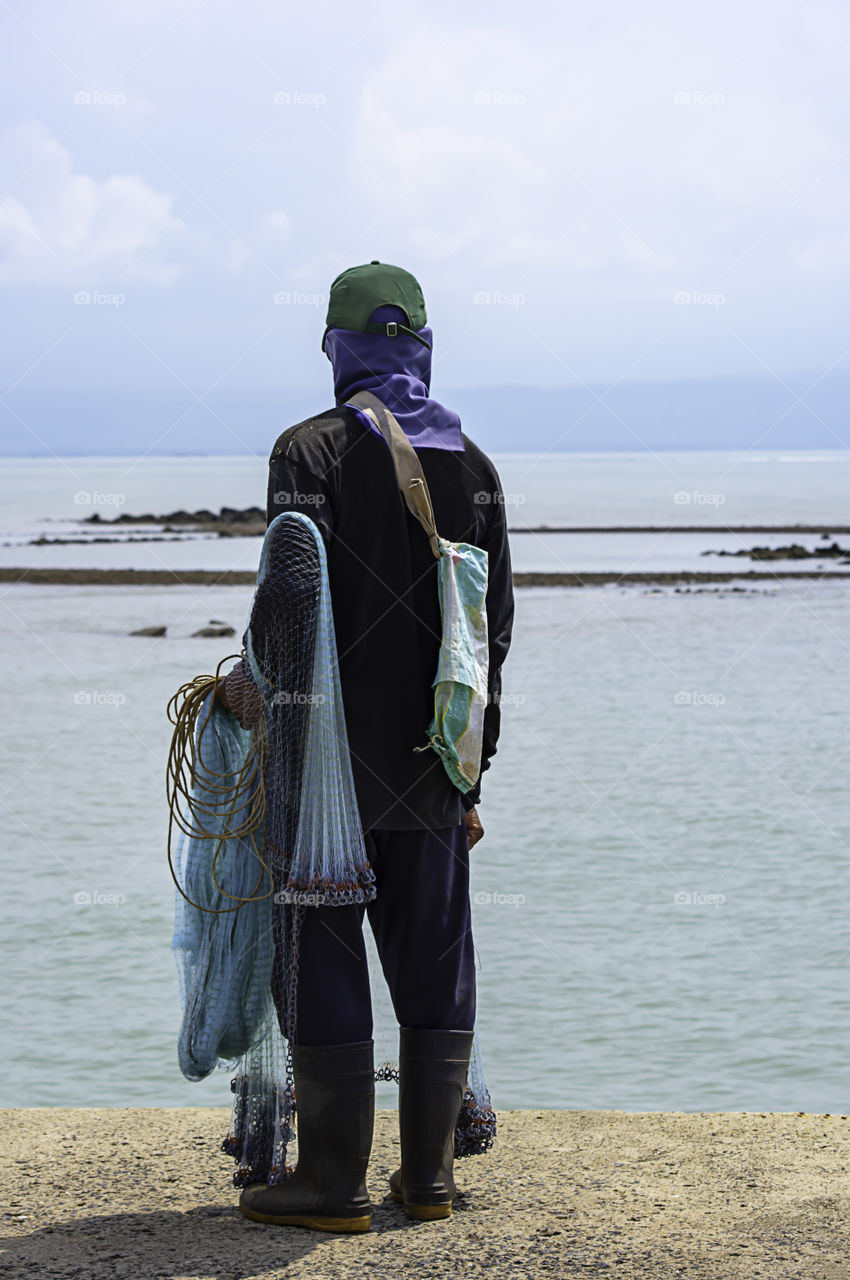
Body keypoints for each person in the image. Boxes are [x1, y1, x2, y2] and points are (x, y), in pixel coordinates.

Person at [236, 260, 514, 1230]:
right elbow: (492, 636)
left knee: (319, 955)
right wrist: (473, 772)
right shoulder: (472, 466)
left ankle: (331, 1182)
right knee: (435, 958)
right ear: (421, 350)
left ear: (337, 350)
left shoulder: (303, 453)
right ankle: (430, 1179)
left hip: (325, 775)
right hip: (435, 767)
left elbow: (287, 608)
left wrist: (246, 691)